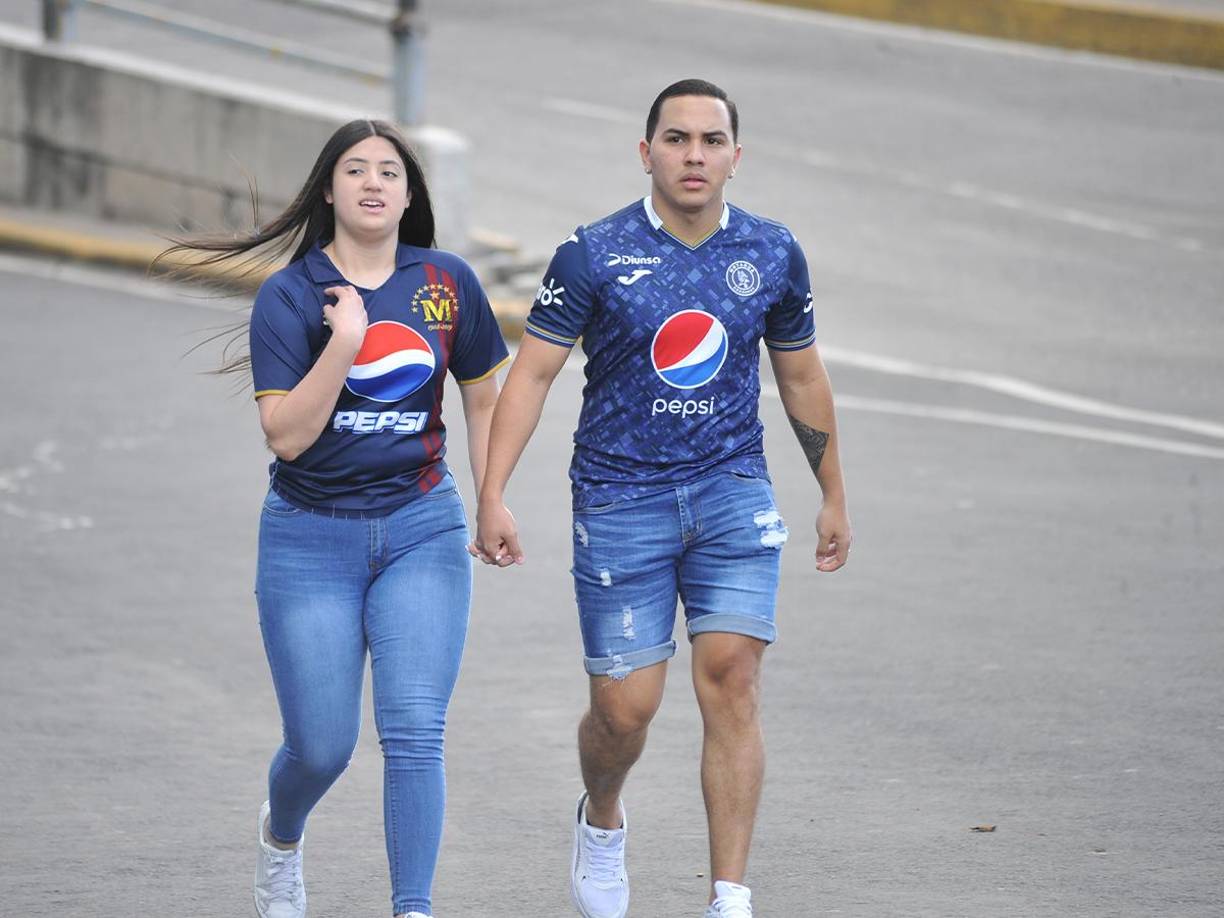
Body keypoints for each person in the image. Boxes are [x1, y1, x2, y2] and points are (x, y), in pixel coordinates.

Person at [472, 80, 851, 918]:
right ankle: (602, 819)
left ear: (735, 158)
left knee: (732, 675)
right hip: (619, 497)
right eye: (676, 140)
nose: (694, 156)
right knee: (625, 708)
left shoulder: (773, 251)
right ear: (646, 153)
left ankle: (729, 894)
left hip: (731, 490)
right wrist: (492, 492)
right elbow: (531, 373)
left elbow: (799, 375)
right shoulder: (593, 252)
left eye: (711, 141)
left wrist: (831, 491)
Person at [163, 119, 509, 918]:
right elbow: (285, 435)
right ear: (329, 189)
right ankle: (281, 836)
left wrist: (490, 496)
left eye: (391, 171)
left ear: (410, 193)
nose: (374, 183)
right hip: (309, 537)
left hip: (422, 525)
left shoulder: (445, 281)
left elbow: (485, 389)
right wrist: (345, 341)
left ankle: (411, 907)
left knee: (415, 728)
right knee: (322, 748)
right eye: (356, 169)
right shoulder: (290, 296)